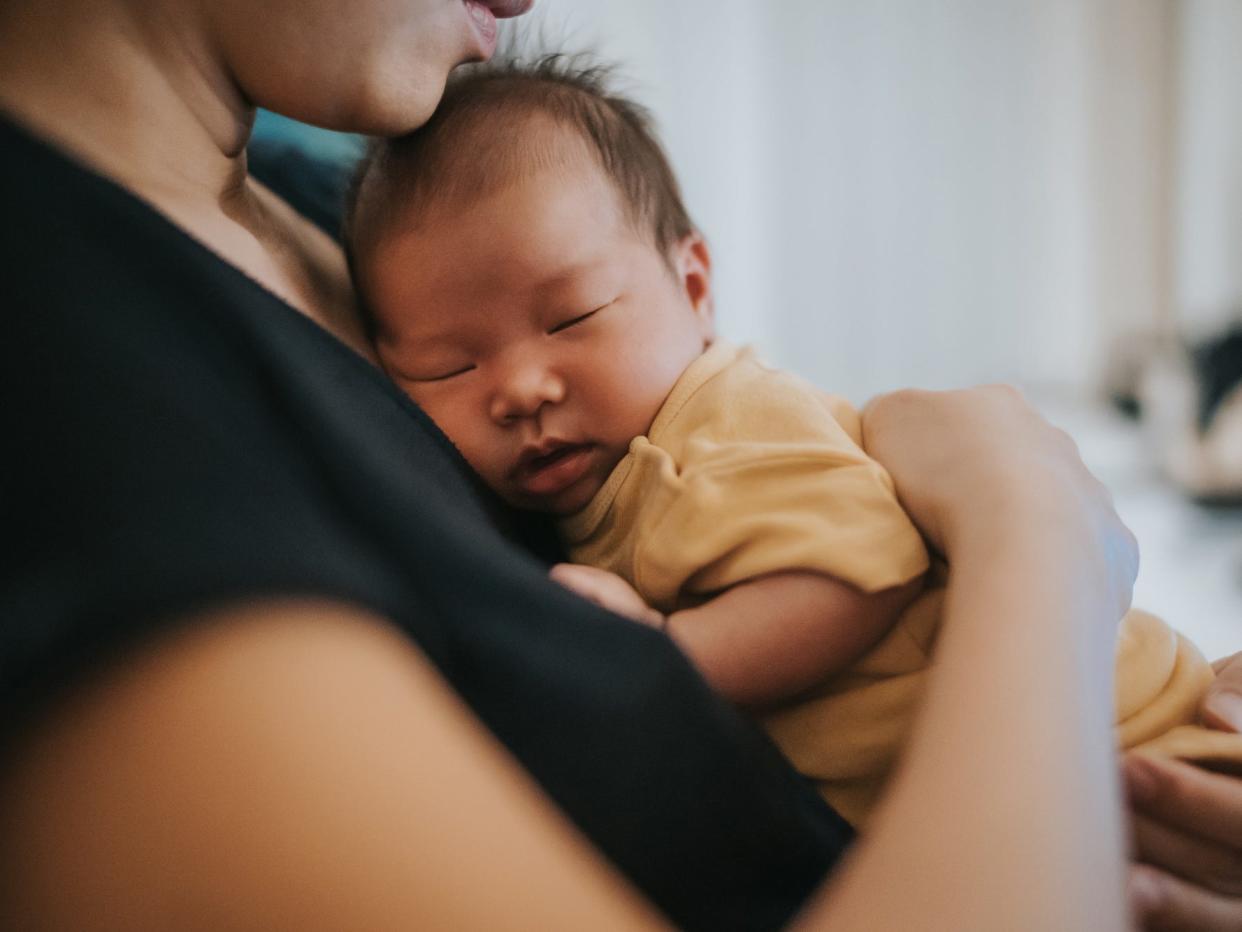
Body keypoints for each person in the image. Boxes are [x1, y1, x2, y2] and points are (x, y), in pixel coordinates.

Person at [0, 2, 1239, 929]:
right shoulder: (62, 350)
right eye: (442, 363)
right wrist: (1041, 534)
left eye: (571, 319)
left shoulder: (321, 205)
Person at [345, 58, 1242, 829]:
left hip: (1142, 738)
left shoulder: (717, 422)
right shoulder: (600, 477)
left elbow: (859, 566)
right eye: (446, 367)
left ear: (693, 283)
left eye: (572, 316)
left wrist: (669, 655)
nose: (519, 388)